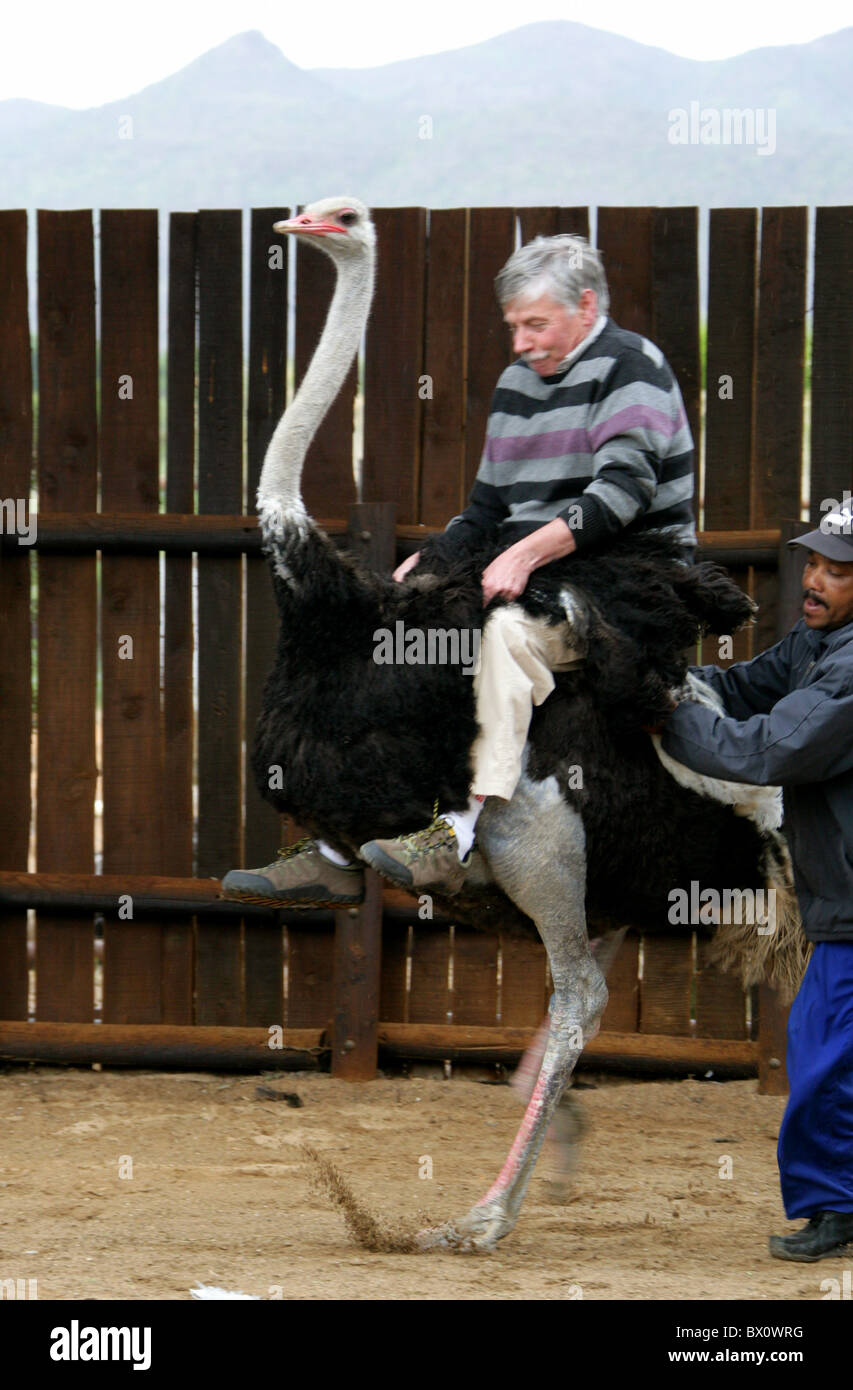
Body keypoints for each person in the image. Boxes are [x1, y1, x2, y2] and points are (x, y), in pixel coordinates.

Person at [222, 233, 696, 907]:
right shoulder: (516, 386)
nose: (520, 342)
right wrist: (427, 563)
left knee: (504, 634)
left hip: (634, 579)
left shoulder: (630, 368)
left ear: (585, 307)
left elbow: (624, 491)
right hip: (538, 565)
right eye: (513, 327)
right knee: (396, 634)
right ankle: (339, 846)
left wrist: (526, 552)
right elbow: (486, 509)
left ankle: (458, 830)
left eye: (535, 324)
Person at [658, 509, 853, 1262]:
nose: (812, 580)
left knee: (821, 1061)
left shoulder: (846, 670)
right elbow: (740, 688)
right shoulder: (816, 642)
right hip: (838, 902)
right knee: (824, 1053)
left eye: (837, 571)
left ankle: (835, 1207)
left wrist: (664, 720)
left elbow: (767, 748)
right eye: (814, 563)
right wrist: (668, 684)